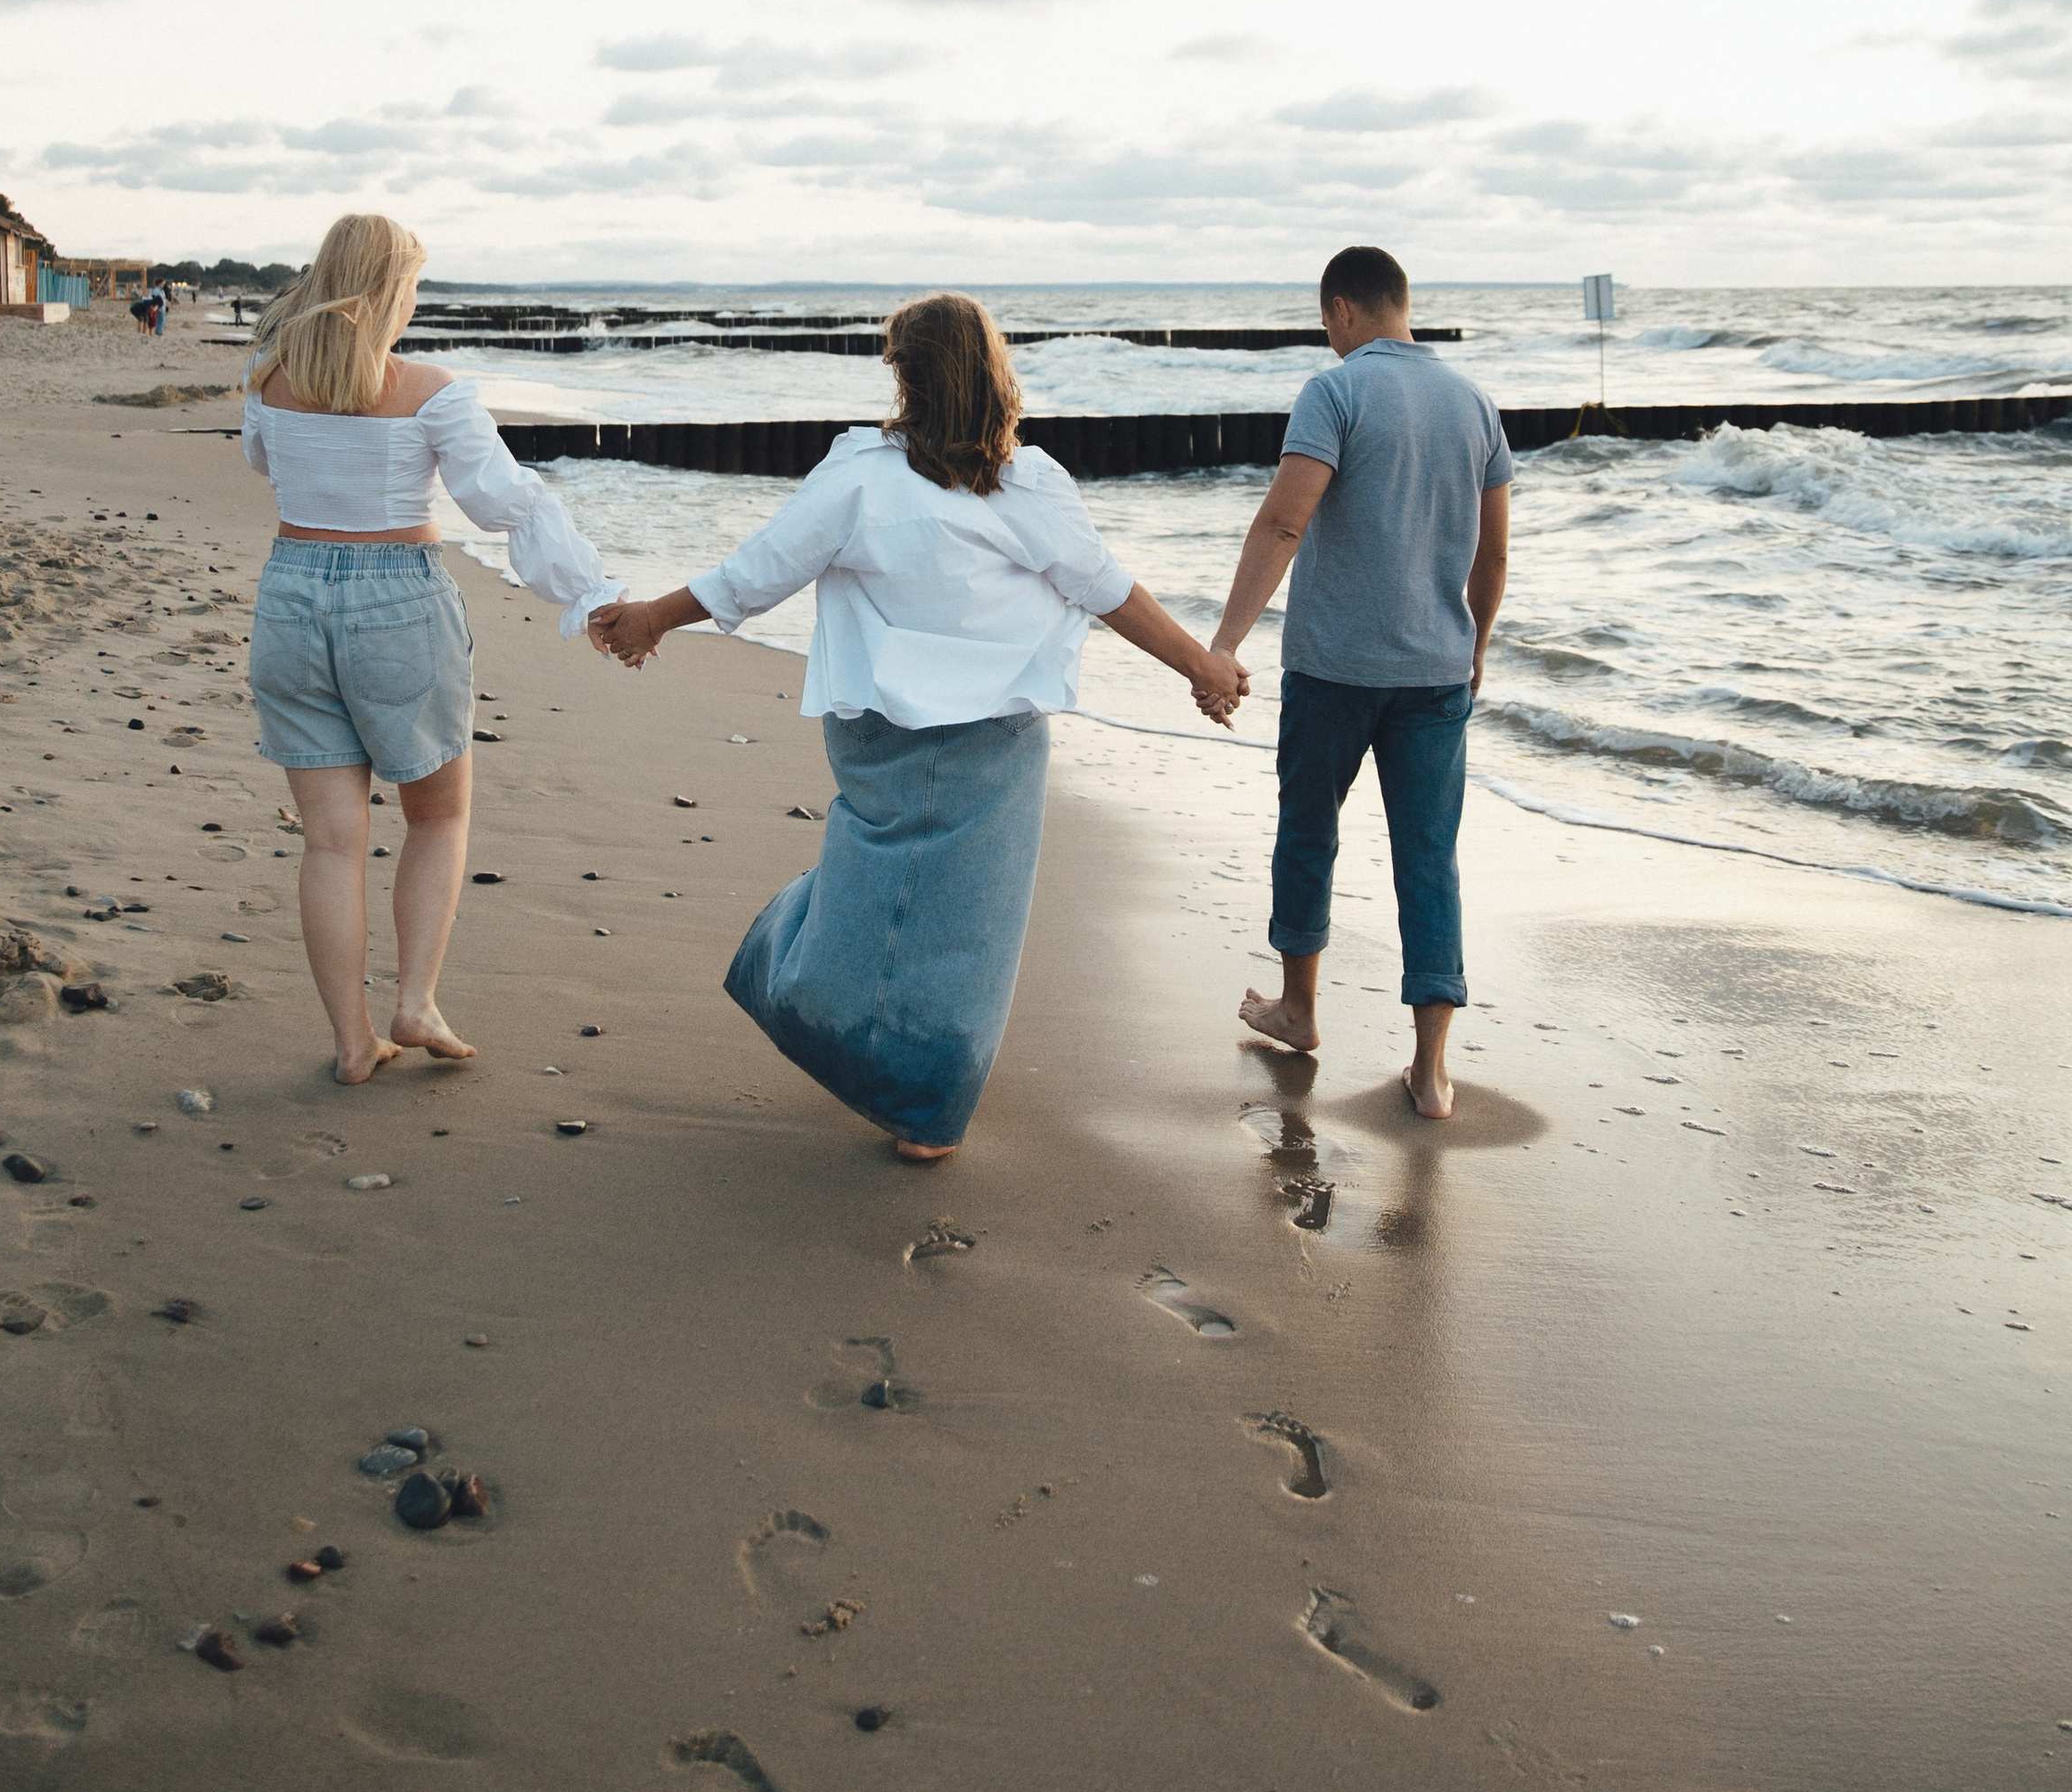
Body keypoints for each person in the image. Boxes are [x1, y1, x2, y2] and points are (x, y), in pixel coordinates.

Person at [591, 292, 1241, 1162]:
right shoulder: (1028, 484)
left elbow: (760, 570)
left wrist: (653, 620)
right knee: (965, 930)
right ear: (993, 373)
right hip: (987, 738)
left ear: (903, 373)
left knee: (887, 889)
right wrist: (1200, 667)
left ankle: (829, 1012)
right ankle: (919, 1095)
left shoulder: (864, 475)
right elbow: (1108, 590)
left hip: (888, 727)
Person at [241, 210, 622, 1084]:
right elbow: (507, 504)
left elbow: (262, 464)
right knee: (438, 814)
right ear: (387, 292)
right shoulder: (430, 390)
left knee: (332, 843)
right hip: (396, 603)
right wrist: (592, 595)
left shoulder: (269, 378)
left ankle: (351, 1042)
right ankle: (414, 1002)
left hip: (291, 598)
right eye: (410, 286)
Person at [1205, 245, 1511, 1120]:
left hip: (1333, 669)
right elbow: (1492, 554)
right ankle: (1430, 1070)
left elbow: (1284, 519)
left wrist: (1225, 641)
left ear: (1340, 310)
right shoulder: (1473, 402)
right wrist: (1476, 645)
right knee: (1427, 857)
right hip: (1433, 675)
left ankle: (1298, 1011)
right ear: (1399, 305)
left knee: (1308, 832)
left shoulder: (1334, 392)